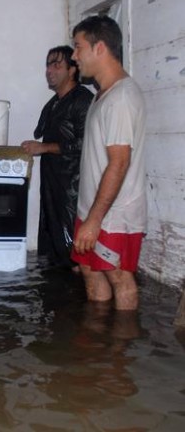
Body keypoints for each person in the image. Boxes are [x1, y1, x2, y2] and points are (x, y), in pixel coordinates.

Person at [70, 16, 147, 311]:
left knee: (119, 278)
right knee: (90, 270)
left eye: (78, 47)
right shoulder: (102, 95)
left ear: (99, 47)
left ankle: (122, 349)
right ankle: (100, 348)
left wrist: (94, 220)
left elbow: (119, 163)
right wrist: (87, 216)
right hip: (93, 209)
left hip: (114, 214)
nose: (74, 56)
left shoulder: (121, 98)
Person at [21, 45, 93, 270]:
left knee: (77, 255)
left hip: (74, 186)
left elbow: (86, 144)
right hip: (53, 186)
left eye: (56, 65)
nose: (49, 70)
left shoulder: (82, 100)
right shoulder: (52, 104)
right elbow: (39, 134)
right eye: (48, 64)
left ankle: (82, 297)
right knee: (56, 251)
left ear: (72, 70)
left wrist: (44, 148)